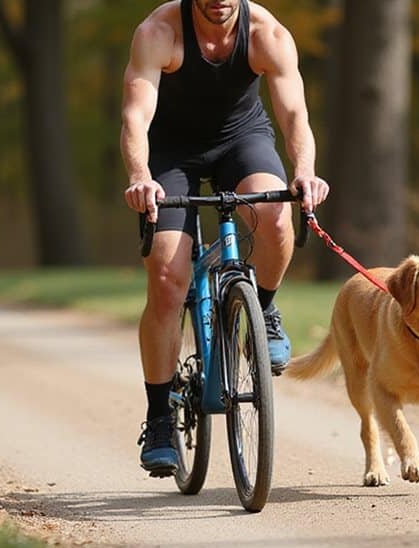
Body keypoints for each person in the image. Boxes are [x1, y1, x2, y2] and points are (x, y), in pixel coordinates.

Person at [121, 0, 330, 476]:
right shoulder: (158, 32)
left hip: (241, 140)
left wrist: (305, 172)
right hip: (170, 153)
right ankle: (158, 417)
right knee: (169, 279)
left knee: (275, 216)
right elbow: (135, 116)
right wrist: (140, 175)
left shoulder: (267, 35)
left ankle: (265, 309)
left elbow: (294, 112)